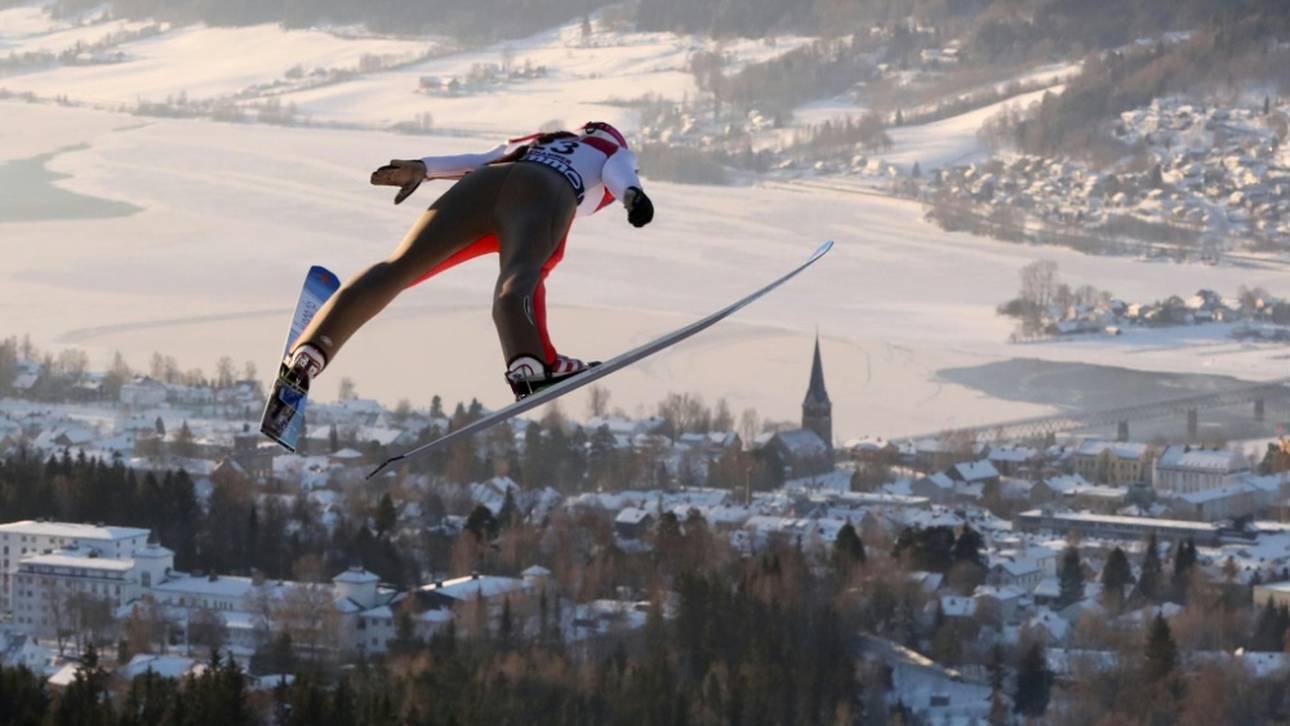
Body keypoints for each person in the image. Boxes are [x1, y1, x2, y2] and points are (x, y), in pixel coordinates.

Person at [284, 121, 653, 400]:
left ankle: (310, 351)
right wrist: (633, 196)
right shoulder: (614, 148)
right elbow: (617, 173)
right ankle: (532, 363)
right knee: (521, 276)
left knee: (400, 266)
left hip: (483, 184)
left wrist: (422, 168)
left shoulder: (540, 140)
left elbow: (479, 161)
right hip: (545, 190)